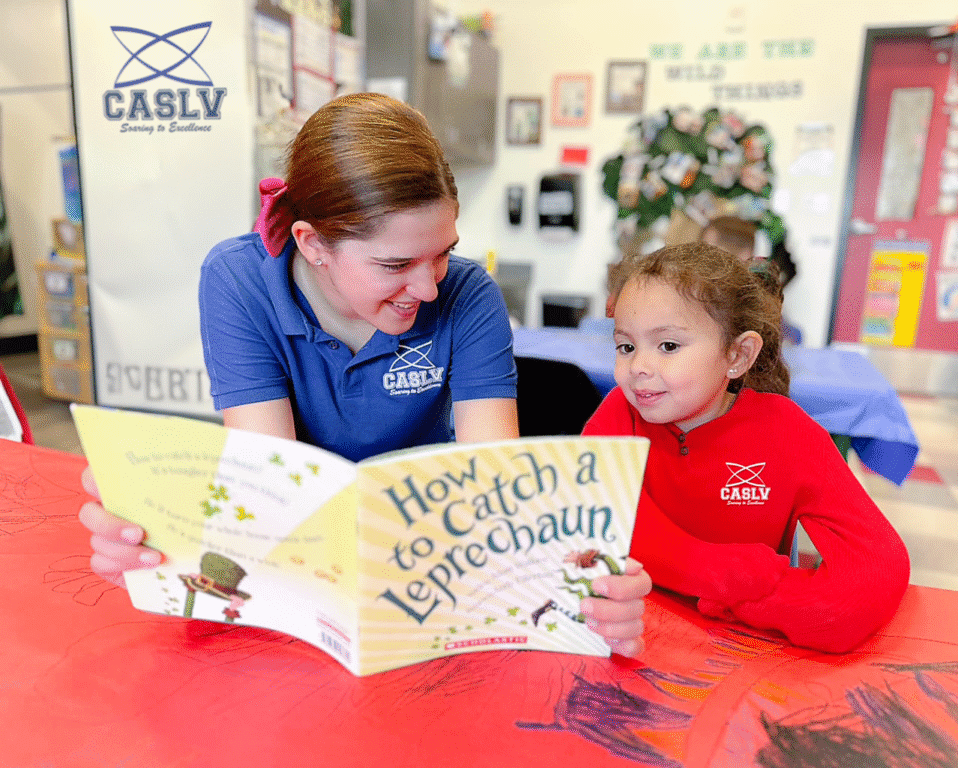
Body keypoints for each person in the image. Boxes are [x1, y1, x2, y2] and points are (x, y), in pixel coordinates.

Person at [79, 92, 651, 656]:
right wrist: (158, 534)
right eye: (395, 264)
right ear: (312, 243)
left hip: (431, 560)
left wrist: (588, 598)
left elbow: (493, 492)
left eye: (442, 254)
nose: (428, 288)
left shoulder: (469, 295)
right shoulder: (239, 281)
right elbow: (271, 482)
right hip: (304, 570)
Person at [582, 241, 910, 654]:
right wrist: (720, 573)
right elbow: (592, 520)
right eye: (626, 346)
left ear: (738, 355)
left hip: (741, 657)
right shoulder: (619, 413)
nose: (638, 367)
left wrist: (740, 598)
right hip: (634, 643)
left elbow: (873, 575)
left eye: (668, 346)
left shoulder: (788, 433)